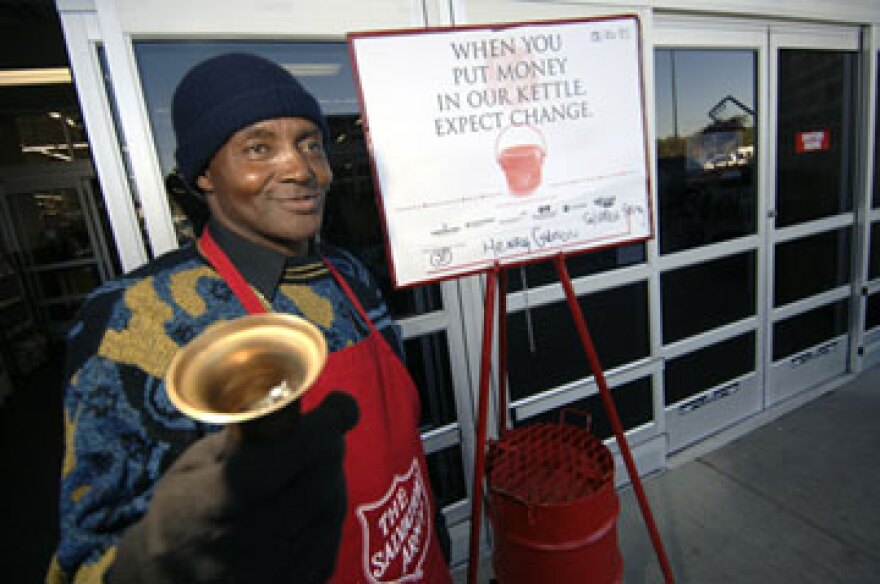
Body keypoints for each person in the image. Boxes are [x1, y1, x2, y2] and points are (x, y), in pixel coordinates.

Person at [48, 52, 452, 583]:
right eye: (259, 147)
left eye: (311, 143)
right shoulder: (137, 318)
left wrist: (436, 537)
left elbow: (402, 451)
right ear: (205, 176)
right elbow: (90, 554)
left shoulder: (349, 273)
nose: (301, 169)